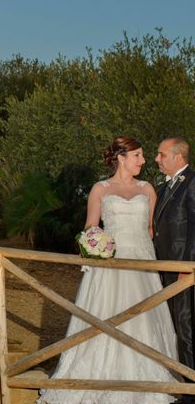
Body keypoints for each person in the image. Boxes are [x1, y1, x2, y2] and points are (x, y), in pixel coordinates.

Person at [39, 136, 178, 404]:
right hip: (110, 264)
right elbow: (90, 227)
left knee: (142, 318)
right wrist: (93, 245)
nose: (144, 161)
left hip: (141, 264)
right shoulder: (100, 189)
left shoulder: (148, 189)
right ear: (121, 158)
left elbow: (150, 230)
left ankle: (147, 377)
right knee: (106, 315)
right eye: (137, 155)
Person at [154, 136, 195, 404]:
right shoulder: (162, 188)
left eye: (161, 154)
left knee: (186, 326)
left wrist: (188, 267)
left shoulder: (192, 183)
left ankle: (192, 390)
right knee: (171, 326)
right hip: (163, 267)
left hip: (183, 270)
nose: (157, 159)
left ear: (178, 157)